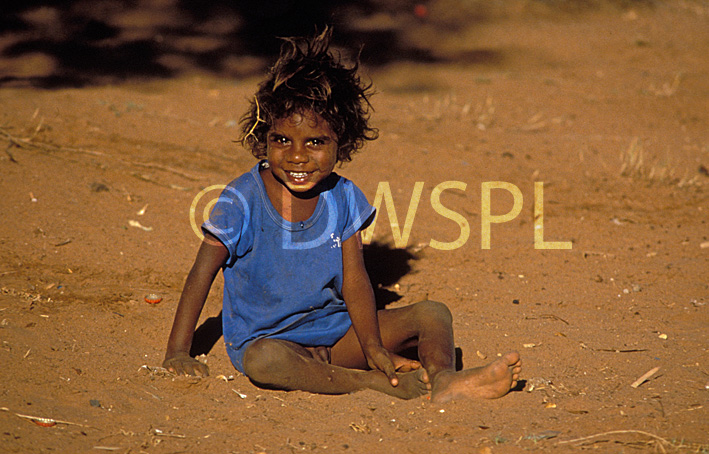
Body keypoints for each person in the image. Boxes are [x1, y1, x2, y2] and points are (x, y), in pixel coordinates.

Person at [163, 29, 521, 402]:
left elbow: (355, 281)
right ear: (262, 135)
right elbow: (201, 274)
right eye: (281, 139)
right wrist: (177, 351)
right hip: (274, 344)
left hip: (337, 335)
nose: (297, 155)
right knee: (263, 361)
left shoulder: (344, 196)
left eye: (316, 142)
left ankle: (444, 379)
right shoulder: (241, 199)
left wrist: (372, 348)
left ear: (343, 143)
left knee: (432, 313)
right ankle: (369, 383)